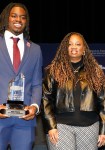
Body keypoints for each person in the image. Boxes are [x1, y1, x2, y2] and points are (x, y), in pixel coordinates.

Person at [42, 32, 105, 150]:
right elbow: (45, 99)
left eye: (78, 44)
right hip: (60, 127)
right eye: (70, 44)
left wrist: (104, 130)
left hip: (90, 127)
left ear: (84, 49)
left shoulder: (95, 72)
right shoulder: (53, 71)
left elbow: (103, 103)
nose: (74, 47)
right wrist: (51, 126)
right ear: (65, 48)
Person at [0, 2, 42, 150]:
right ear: (6, 18)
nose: (18, 20)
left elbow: (37, 83)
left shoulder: (35, 49)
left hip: (24, 121)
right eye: (14, 16)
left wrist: (35, 107)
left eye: (23, 17)